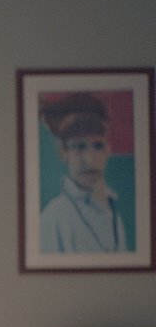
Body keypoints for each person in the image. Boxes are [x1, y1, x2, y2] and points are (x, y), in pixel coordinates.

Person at [38, 92, 128, 253]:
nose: (89, 159)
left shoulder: (114, 214)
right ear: (63, 153)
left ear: (108, 150)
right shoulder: (52, 218)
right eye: (79, 147)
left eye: (98, 146)